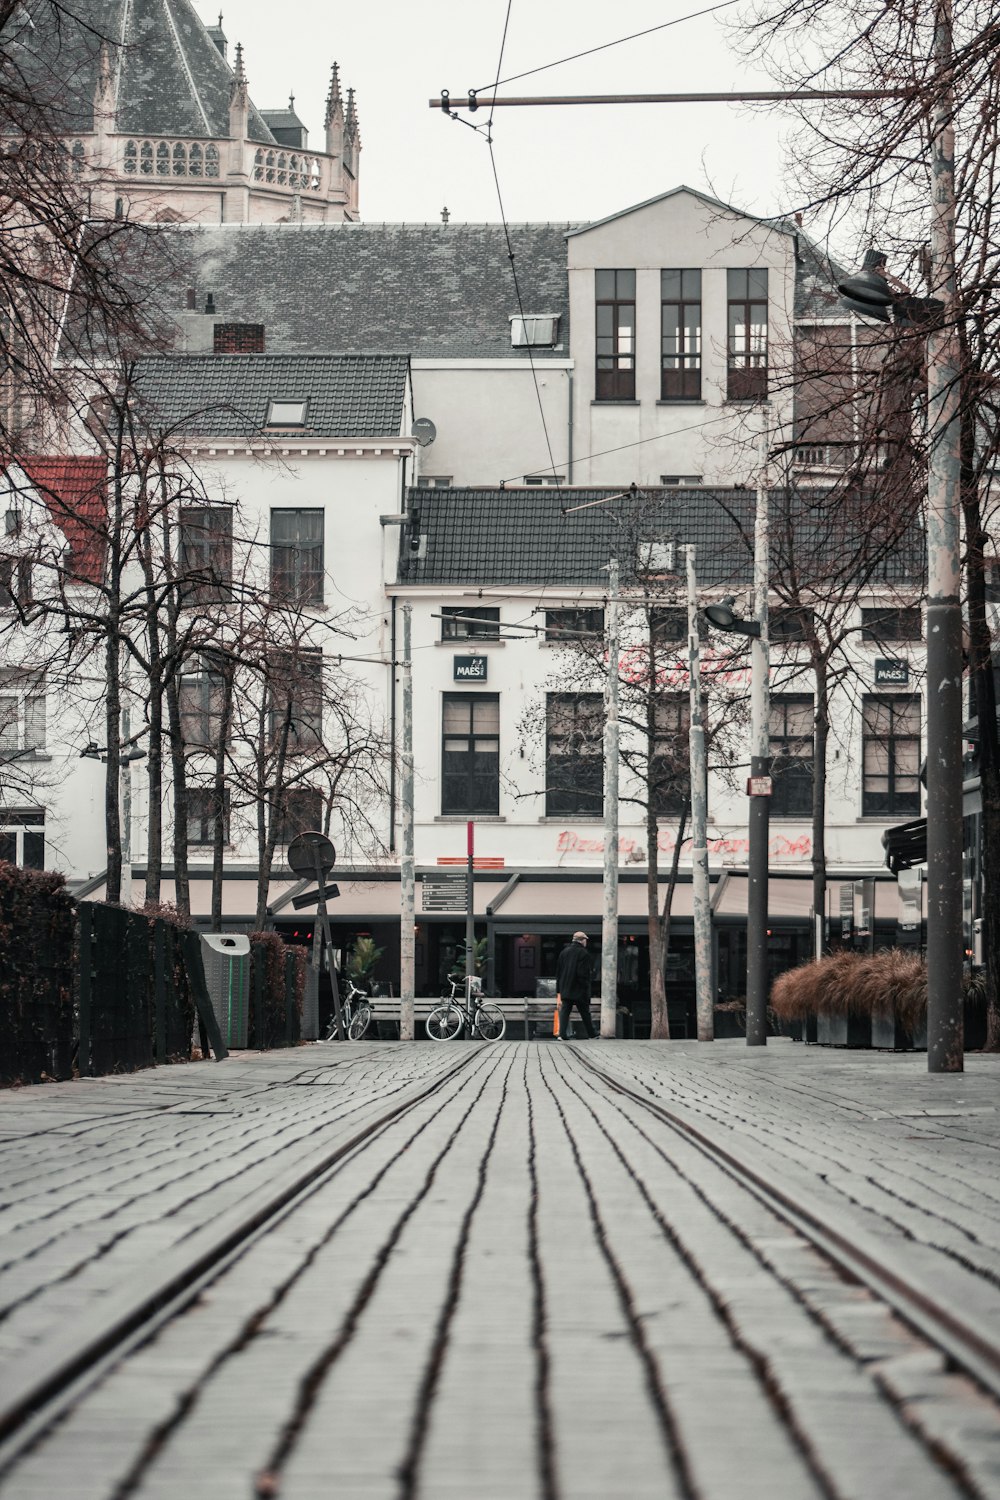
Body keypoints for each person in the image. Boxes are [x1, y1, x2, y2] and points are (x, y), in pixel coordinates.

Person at [555, 931, 597, 1040]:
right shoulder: (584, 953)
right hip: (579, 988)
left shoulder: (564, 952)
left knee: (565, 1011)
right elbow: (582, 973)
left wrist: (559, 990)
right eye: (585, 940)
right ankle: (592, 1033)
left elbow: (558, 973)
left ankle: (562, 1034)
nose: (586, 942)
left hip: (565, 988)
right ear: (582, 940)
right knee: (584, 1012)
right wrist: (586, 986)